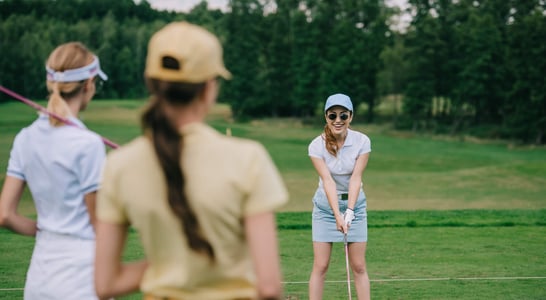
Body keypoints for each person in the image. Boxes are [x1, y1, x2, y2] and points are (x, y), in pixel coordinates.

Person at [94, 21, 289, 300]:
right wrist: (213, 263)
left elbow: (106, 284)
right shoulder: (249, 158)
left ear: (151, 84)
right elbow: (269, 287)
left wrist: (170, 266)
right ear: (209, 88)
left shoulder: (118, 165)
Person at [0, 42, 108, 299]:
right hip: (82, 280)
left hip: (39, 279)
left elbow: (4, 215)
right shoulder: (88, 143)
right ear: (89, 84)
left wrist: (49, 231)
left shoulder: (25, 138)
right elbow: (100, 226)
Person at [308, 93, 371, 300]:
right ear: (326, 117)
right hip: (326, 208)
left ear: (350, 117)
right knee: (321, 265)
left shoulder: (362, 141)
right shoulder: (316, 146)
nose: (338, 120)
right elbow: (328, 181)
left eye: (343, 115)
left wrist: (350, 211)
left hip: (357, 207)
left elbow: (356, 178)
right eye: (332, 115)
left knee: (359, 266)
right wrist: (338, 215)